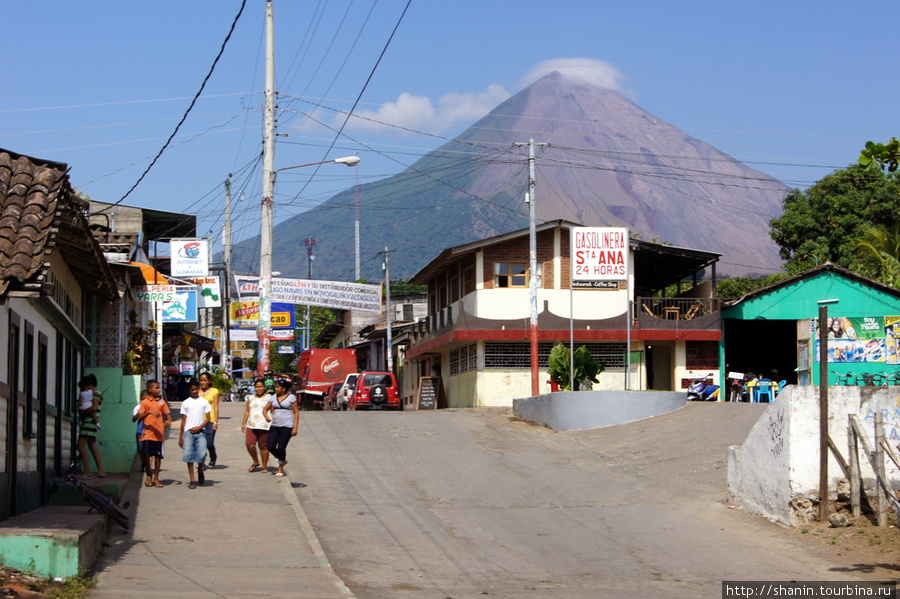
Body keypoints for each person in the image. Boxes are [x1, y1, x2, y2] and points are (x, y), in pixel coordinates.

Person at [137, 380, 171, 488]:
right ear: (149, 389)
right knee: (146, 455)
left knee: (158, 456)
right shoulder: (145, 402)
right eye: (156, 388)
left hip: (159, 433)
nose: (158, 390)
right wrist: (149, 413)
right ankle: (148, 475)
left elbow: (167, 414)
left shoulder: (161, 402)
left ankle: (156, 478)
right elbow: (139, 416)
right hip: (147, 433)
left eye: (158, 387)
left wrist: (168, 420)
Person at [178, 380, 211, 489]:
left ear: (199, 389)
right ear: (189, 391)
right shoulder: (185, 403)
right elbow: (183, 420)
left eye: (196, 389)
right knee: (189, 456)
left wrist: (199, 428)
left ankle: (200, 469)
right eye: (192, 390)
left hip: (201, 432)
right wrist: (181, 436)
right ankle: (192, 479)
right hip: (188, 432)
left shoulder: (204, 402)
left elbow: (208, 419)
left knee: (202, 455)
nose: (194, 391)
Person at [263, 378, 299, 478]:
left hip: (287, 426)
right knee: (270, 446)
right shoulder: (273, 397)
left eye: (277, 387)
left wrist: (295, 428)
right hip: (275, 426)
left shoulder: (291, 398)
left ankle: (280, 468)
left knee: (281, 447)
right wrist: (266, 416)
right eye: (275, 387)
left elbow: (296, 413)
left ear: (283, 389)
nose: (275, 388)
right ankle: (281, 458)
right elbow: (265, 409)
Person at [76, 374, 106, 478]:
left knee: (80, 445)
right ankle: (100, 471)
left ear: (91, 385)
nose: (85, 389)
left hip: (89, 422)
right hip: (91, 422)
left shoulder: (95, 394)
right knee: (92, 446)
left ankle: (87, 470)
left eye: (87, 387)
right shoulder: (95, 393)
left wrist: (82, 411)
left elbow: (93, 408)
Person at [241, 378, 272, 473]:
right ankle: (255, 461)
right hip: (252, 425)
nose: (259, 389)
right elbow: (247, 411)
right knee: (250, 444)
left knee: (263, 446)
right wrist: (244, 422)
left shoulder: (269, 397)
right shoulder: (251, 398)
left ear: (265, 387)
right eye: (257, 387)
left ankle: (264, 466)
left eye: (261, 387)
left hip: (265, 425)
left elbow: (273, 410)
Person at [197, 372, 221, 468]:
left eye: (205, 380)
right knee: (200, 443)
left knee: (209, 443)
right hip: (199, 420)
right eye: (201, 380)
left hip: (210, 420)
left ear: (209, 381)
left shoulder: (214, 391)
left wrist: (215, 422)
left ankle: (213, 456)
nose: (203, 382)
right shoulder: (197, 391)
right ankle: (201, 462)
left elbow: (216, 407)